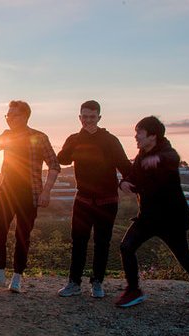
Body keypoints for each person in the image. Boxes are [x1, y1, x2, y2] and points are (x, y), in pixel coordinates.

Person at [117, 116, 189, 314]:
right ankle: (134, 290)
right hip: (147, 217)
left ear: (153, 135)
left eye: (139, 133)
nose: (135, 136)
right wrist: (124, 183)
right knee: (126, 247)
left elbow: (172, 160)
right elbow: (133, 176)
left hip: (171, 219)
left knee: (184, 258)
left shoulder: (166, 153)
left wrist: (156, 160)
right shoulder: (141, 155)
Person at [0, 100, 61, 293]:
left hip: (31, 193)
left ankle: (17, 278)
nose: (9, 119)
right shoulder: (7, 135)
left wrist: (47, 191)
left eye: (13, 115)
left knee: (22, 235)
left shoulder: (39, 137)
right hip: (7, 192)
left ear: (25, 116)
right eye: (7, 115)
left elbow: (54, 165)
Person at [56, 100, 132, 298]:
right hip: (82, 199)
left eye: (92, 117)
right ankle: (74, 283)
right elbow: (62, 159)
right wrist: (72, 145)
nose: (88, 120)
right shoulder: (73, 139)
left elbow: (125, 166)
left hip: (107, 201)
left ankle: (97, 282)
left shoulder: (111, 140)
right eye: (85, 117)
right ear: (79, 118)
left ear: (99, 117)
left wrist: (127, 183)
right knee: (78, 242)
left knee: (102, 242)